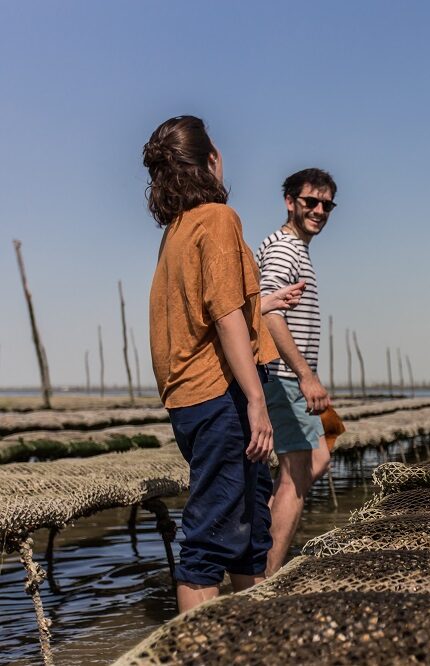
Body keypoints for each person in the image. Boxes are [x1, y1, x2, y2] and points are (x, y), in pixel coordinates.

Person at [144, 115, 301, 612]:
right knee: (209, 540)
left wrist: (265, 303)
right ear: (211, 159)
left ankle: (246, 639)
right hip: (220, 399)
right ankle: (198, 649)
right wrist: (256, 398)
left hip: (193, 401)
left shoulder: (178, 229)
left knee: (251, 532)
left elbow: (212, 308)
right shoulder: (216, 218)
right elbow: (226, 314)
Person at [255, 168, 337, 575]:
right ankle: (264, 579)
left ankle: (260, 544)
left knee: (323, 451)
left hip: (293, 379)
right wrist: (306, 375)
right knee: (295, 478)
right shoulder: (285, 249)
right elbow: (268, 315)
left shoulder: (296, 249)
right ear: (290, 202)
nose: (319, 211)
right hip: (284, 378)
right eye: (310, 202)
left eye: (326, 204)